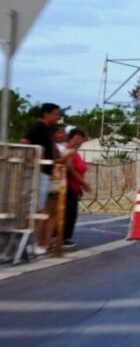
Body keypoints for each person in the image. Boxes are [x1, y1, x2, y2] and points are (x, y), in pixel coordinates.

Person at [20, 103, 62, 255]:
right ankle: (30, 243)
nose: (57, 117)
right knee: (35, 209)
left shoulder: (47, 130)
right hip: (40, 172)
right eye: (55, 114)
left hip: (45, 173)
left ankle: (31, 243)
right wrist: (35, 159)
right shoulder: (38, 127)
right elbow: (25, 141)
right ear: (46, 114)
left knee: (38, 208)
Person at [64, 128, 91, 248]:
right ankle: (62, 238)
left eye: (81, 139)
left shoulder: (75, 152)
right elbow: (70, 169)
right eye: (77, 138)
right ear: (71, 138)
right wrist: (83, 183)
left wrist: (80, 186)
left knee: (71, 213)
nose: (79, 142)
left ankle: (65, 237)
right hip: (68, 186)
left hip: (75, 187)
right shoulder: (68, 151)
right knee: (68, 213)